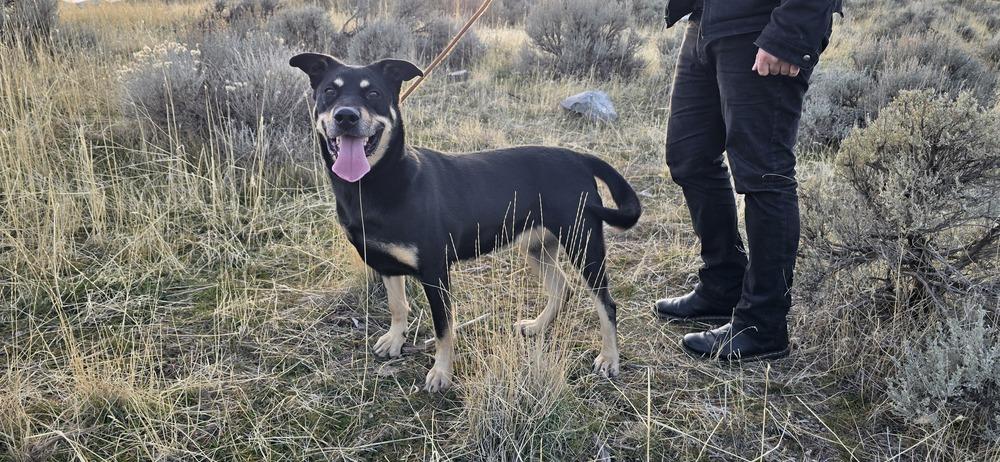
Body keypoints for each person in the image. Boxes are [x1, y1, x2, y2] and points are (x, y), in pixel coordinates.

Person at [655, 0, 842, 361]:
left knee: (764, 175)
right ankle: (723, 283)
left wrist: (792, 30)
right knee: (688, 158)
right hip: (708, 20)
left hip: (762, 26)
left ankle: (763, 325)